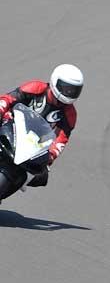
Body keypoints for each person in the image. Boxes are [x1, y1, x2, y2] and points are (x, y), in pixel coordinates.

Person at [0, 64, 83, 197]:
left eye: (74, 90)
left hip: (34, 144)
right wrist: (2, 109)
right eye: (67, 88)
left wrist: (51, 156)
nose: (70, 92)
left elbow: (61, 139)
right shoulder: (36, 88)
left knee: (41, 176)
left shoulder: (70, 114)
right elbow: (8, 99)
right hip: (10, 126)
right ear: (55, 82)